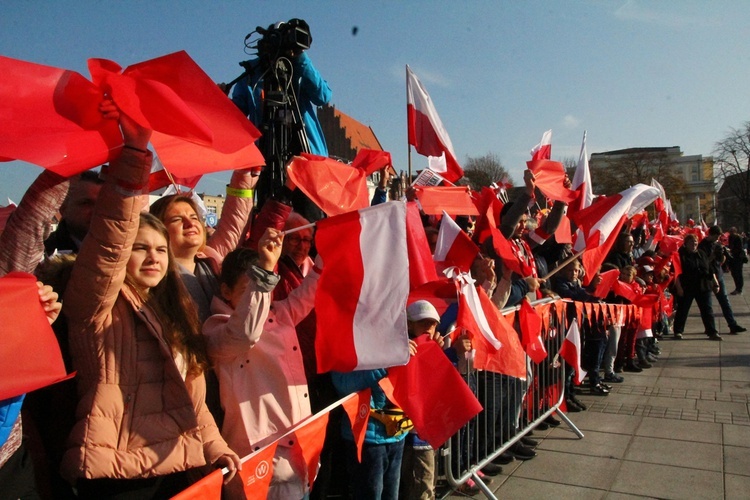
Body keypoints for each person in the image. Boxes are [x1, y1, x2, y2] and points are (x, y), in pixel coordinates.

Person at [62, 101, 239, 498]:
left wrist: (216, 446)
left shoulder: (175, 310)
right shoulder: (96, 303)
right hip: (118, 474)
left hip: (179, 465)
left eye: (160, 249)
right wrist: (135, 151)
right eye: (141, 248)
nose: (154, 257)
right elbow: (109, 238)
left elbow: (191, 396)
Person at [203, 235, 321, 499]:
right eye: (249, 289)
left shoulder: (281, 313)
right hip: (259, 467)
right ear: (226, 291)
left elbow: (312, 287)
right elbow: (246, 332)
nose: (258, 298)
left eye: (265, 289)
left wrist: (331, 246)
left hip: (299, 458)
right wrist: (265, 272)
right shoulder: (217, 330)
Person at [698, 225, 746, 335]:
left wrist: (723, 256)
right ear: (711, 234)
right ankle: (710, 328)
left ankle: (732, 324)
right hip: (708, 277)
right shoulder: (702, 246)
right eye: (716, 236)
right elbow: (704, 263)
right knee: (707, 305)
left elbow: (721, 261)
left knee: (725, 301)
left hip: (718, 275)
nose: (717, 239)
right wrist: (713, 256)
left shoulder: (718, 245)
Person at [673, 233, 721, 341]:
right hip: (687, 286)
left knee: (707, 309)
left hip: (703, 286)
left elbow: (709, 269)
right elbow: (676, 273)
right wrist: (679, 287)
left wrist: (715, 283)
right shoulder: (681, 255)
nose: (693, 244)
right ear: (685, 244)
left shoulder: (701, 253)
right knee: (683, 309)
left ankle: (712, 331)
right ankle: (678, 331)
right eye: (691, 242)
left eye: (695, 242)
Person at [43, 170, 103, 255]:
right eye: (86, 203)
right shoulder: (42, 254)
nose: (96, 211)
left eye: (102, 204)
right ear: (64, 209)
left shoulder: (123, 252)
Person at [728, 227, 746, 295]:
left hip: (738, 257)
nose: (731, 233)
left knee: (738, 273)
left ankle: (739, 288)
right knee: (734, 273)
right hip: (733, 257)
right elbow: (730, 246)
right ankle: (737, 287)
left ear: (735, 232)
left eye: (732, 232)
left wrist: (731, 250)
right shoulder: (730, 237)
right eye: (730, 232)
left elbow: (739, 248)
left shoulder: (738, 237)